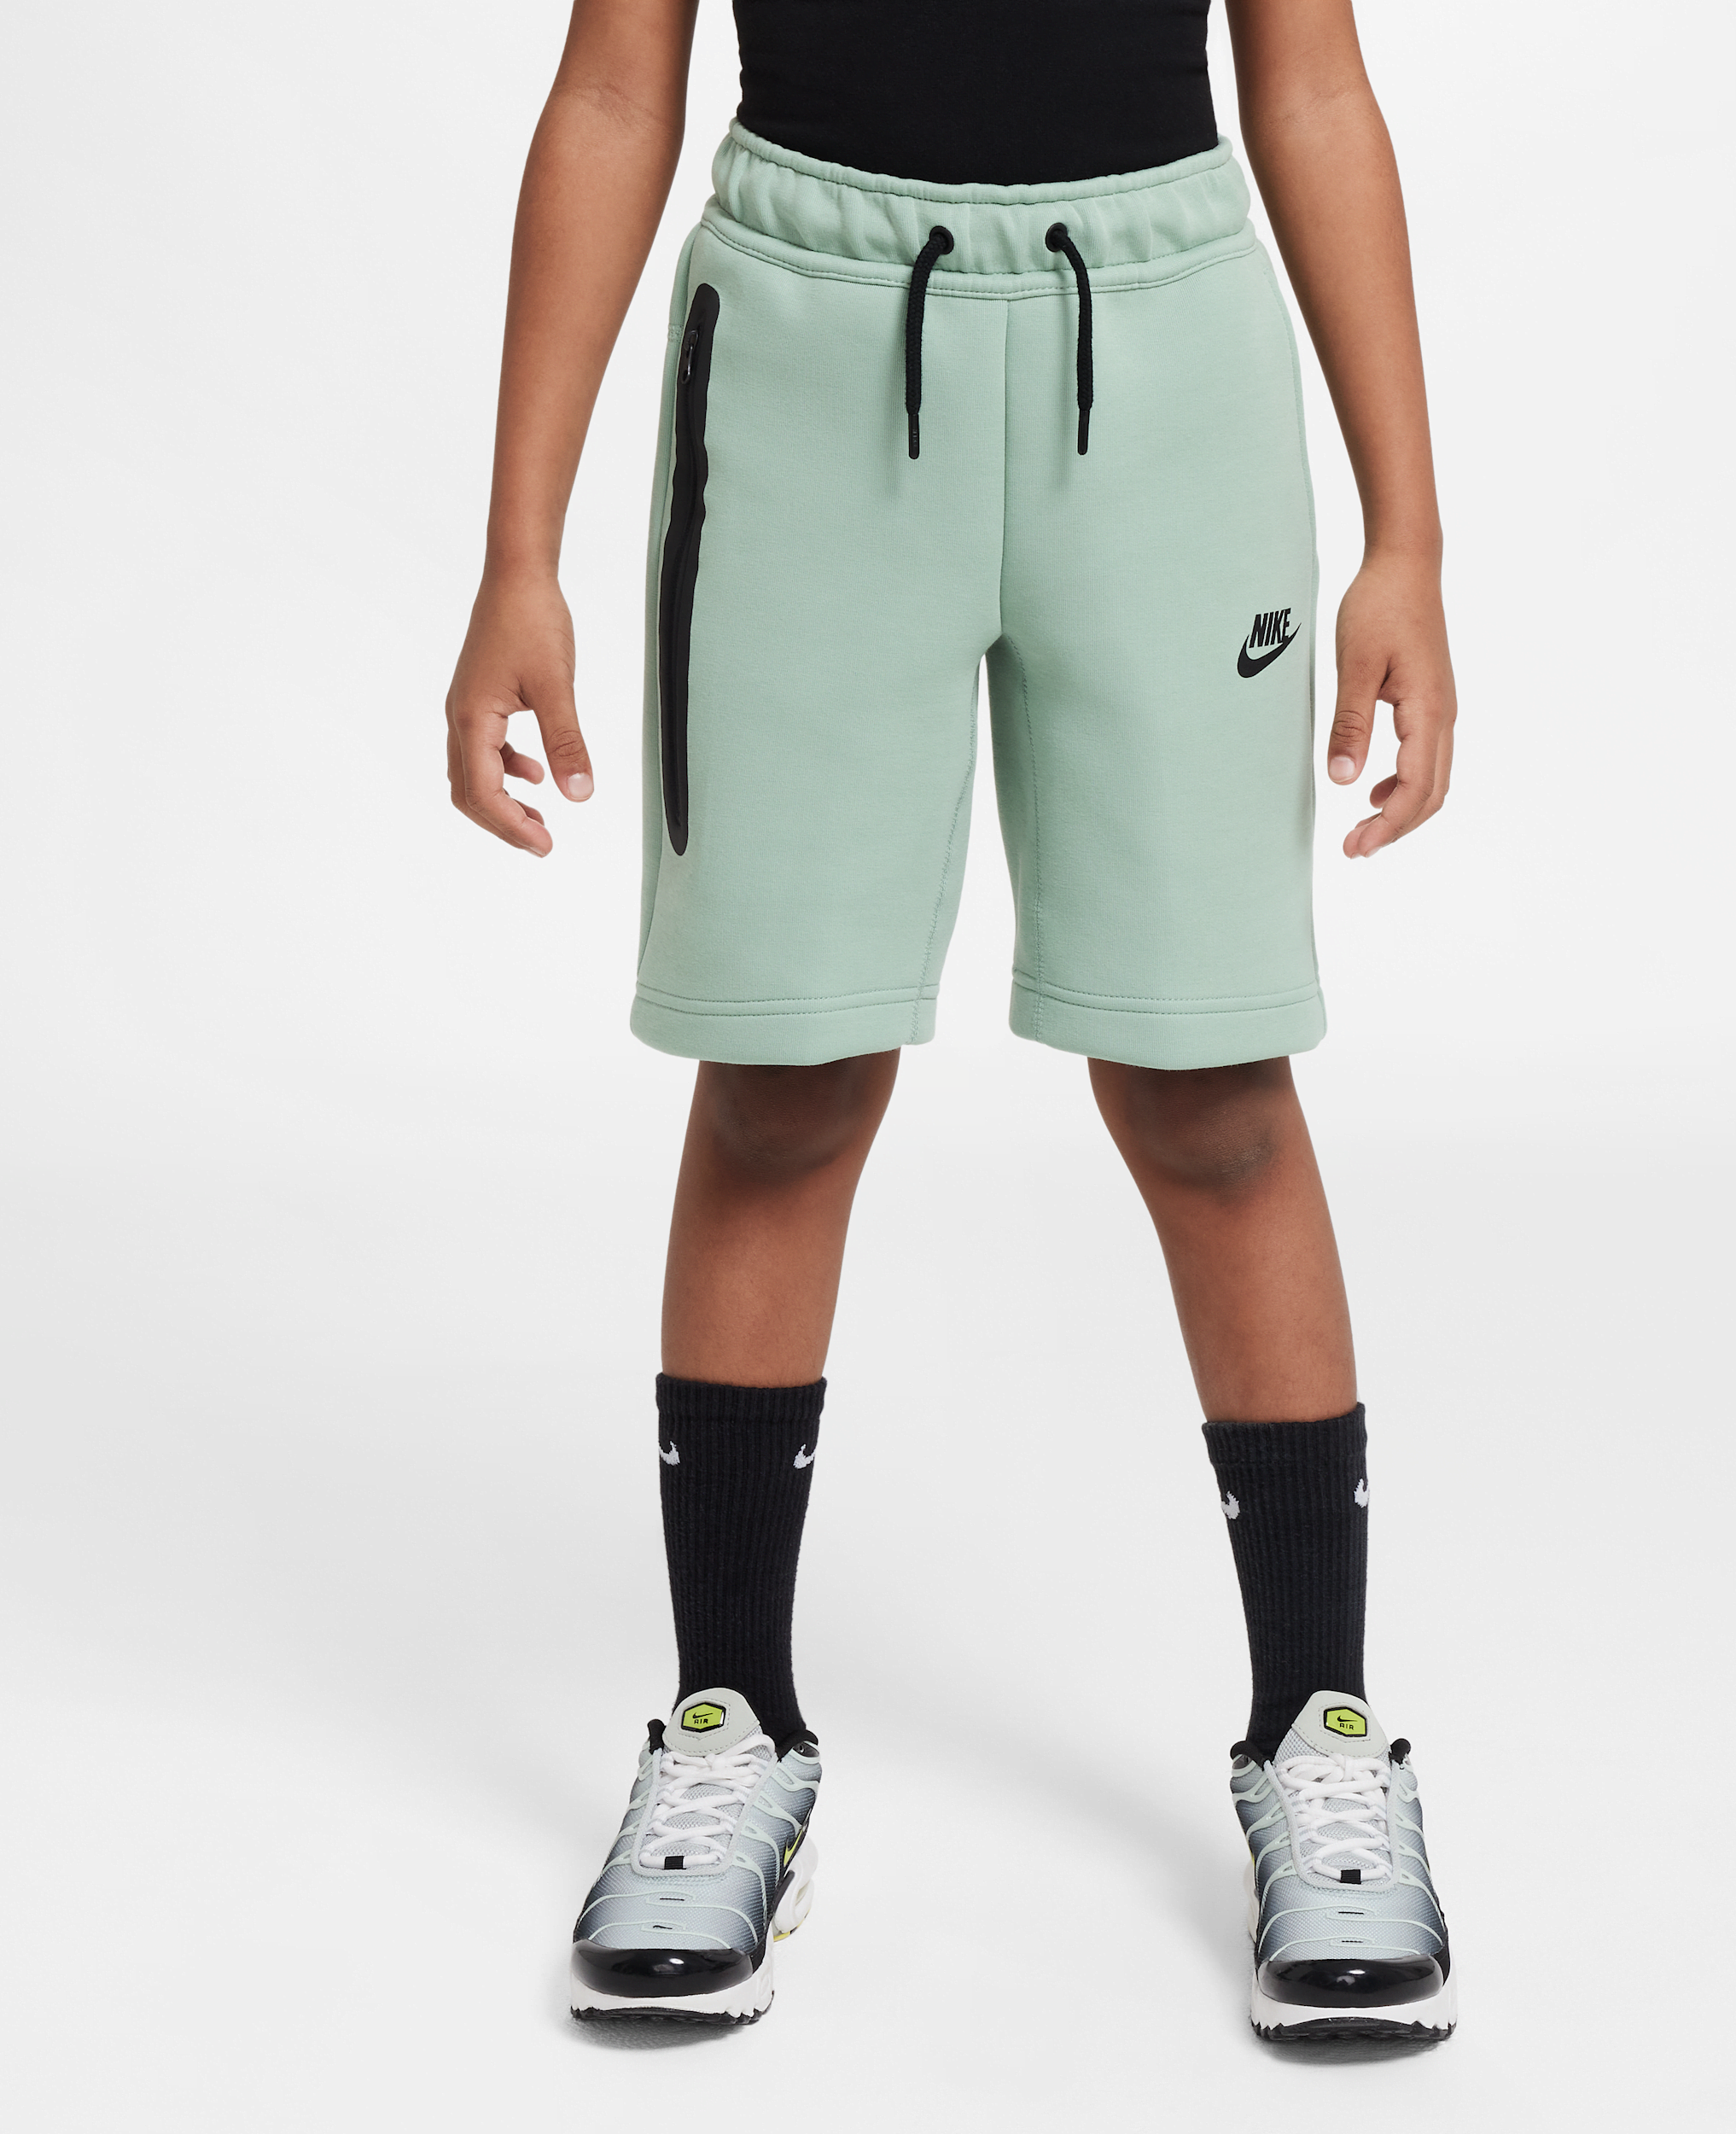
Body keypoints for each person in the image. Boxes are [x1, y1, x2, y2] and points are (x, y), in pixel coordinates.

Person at [446, 0, 1459, 2044]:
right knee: (780, 1072)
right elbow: (615, 89)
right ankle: (729, 1717)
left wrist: (1406, 539)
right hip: (803, 347)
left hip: (1161, 350)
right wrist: (515, 557)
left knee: (1210, 1082)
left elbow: (1314, 80)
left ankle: (1317, 1726)